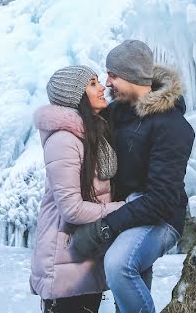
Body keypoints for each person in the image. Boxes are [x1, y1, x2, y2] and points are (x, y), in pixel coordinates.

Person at [73, 40, 195, 313]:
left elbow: (161, 199)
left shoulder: (173, 126)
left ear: (131, 76)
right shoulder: (117, 112)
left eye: (113, 75)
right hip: (126, 208)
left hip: (161, 216)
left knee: (119, 265)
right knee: (131, 282)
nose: (107, 82)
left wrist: (107, 225)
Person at [30, 65, 126, 313]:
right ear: (76, 96)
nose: (102, 87)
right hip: (63, 262)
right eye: (93, 83)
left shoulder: (91, 133)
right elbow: (71, 209)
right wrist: (124, 209)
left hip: (82, 258)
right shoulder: (64, 140)